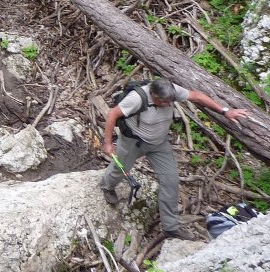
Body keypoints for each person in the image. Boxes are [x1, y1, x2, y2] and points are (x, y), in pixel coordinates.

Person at [100, 78, 249, 240]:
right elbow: (112, 114)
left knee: (171, 182)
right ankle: (107, 186)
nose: (168, 105)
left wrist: (225, 111)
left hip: (159, 144)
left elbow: (197, 96)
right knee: (119, 169)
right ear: (153, 95)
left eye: (170, 101)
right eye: (163, 102)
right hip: (133, 142)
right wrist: (108, 143)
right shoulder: (137, 98)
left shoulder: (171, 91)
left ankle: (170, 227)